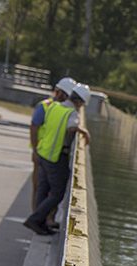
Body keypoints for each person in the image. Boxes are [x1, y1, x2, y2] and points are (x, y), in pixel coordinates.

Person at [23, 82, 91, 236]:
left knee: (43, 188)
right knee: (58, 192)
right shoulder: (72, 113)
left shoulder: (54, 106)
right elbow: (71, 127)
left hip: (43, 152)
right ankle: (35, 219)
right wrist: (84, 130)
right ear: (80, 102)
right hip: (55, 156)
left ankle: (39, 222)